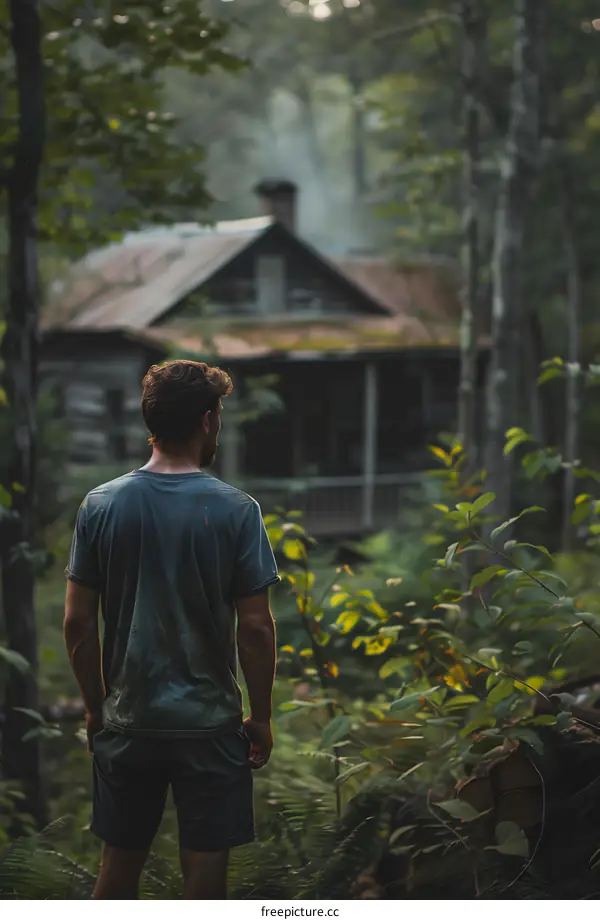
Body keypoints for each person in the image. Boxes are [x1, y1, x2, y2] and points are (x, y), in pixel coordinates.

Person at [63, 359, 279, 899]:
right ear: (208, 421)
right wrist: (262, 716)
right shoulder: (237, 510)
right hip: (209, 727)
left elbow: (77, 621)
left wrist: (95, 707)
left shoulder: (101, 504)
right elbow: (254, 629)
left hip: (129, 721)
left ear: (151, 421)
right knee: (204, 881)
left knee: (117, 870)